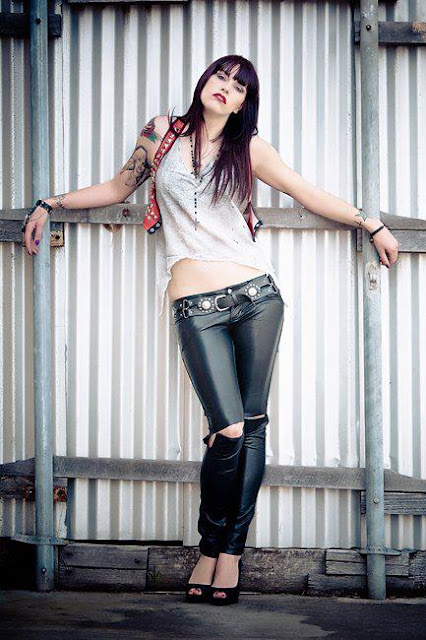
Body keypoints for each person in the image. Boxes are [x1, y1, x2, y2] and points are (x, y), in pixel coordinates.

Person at [23, 55, 399, 606]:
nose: (227, 88)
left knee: (252, 424)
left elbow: (306, 191)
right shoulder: (161, 134)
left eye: (240, 86)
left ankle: (228, 555)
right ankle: (210, 545)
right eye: (222, 76)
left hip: (257, 299)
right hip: (195, 305)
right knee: (228, 429)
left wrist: (372, 222)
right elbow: (117, 187)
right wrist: (48, 204)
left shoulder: (250, 150)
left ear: (246, 104)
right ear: (204, 81)